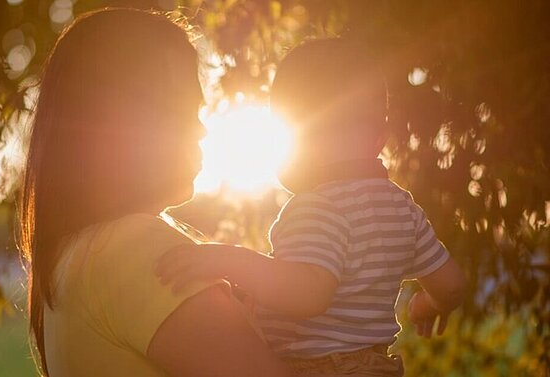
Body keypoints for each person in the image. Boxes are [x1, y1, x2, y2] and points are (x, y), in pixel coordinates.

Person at [156, 39, 467, 376]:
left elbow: (307, 295)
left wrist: (225, 259)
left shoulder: (316, 207)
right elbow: (452, 284)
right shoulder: (402, 208)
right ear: (380, 138)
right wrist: (431, 303)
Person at [18, 8, 293, 377]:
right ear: (130, 119)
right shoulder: (133, 248)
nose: (201, 131)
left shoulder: (74, 256)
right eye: (187, 110)